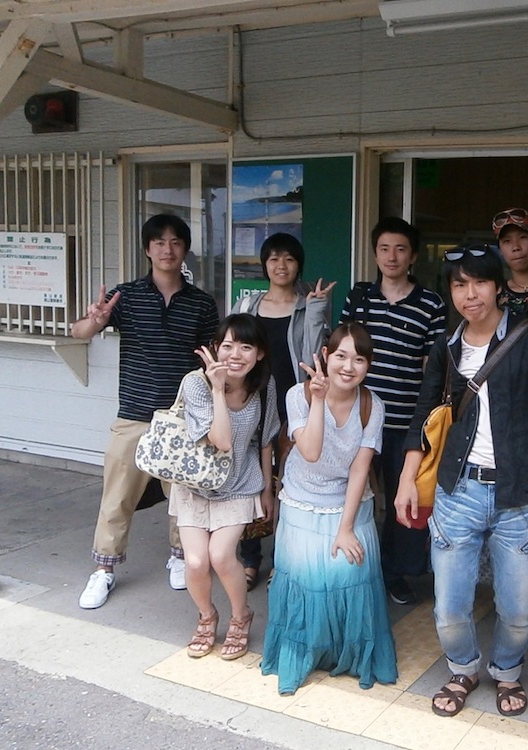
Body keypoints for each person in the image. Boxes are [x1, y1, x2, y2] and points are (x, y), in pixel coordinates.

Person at [394, 243, 528, 718]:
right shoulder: (447, 346)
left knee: (517, 608)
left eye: (479, 283)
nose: (470, 294)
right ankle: (463, 669)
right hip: (457, 489)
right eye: (459, 284)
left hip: (520, 493)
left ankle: (507, 671)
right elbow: (423, 414)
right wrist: (408, 479)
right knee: (450, 605)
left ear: (498, 287)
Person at [73, 214, 219, 610]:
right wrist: (94, 320)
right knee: (117, 496)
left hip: (182, 416)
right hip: (134, 413)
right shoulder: (126, 296)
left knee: (183, 497)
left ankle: (180, 556)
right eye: (159, 242)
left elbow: (210, 359)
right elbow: (79, 332)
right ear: (147, 249)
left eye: (175, 242)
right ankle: (103, 569)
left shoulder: (202, 303)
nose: (167, 249)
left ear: (185, 249)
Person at [261, 323, 397, 693]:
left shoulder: (372, 405)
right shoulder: (298, 395)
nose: (349, 367)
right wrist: (319, 400)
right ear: (325, 356)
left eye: (359, 359)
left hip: (349, 504)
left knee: (347, 575)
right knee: (307, 583)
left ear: (369, 365)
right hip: (302, 501)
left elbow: (360, 469)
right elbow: (310, 451)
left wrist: (346, 528)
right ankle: (306, 652)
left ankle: (344, 654)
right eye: (340, 356)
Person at [340, 217, 446, 606]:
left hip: (406, 421)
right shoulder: (359, 298)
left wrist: (425, 421)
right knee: (355, 494)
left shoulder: (431, 304)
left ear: (413, 256)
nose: (392, 256)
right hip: (359, 419)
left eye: (400, 249)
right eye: (384, 248)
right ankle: (352, 565)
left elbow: (432, 368)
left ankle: (394, 572)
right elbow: (342, 353)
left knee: (405, 498)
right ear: (375, 254)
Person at [173, 313, 279, 660]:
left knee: (220, 555)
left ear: (259, 353)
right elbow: (220, 439)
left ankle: (240, 616)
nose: (235, 355)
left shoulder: (264, 386)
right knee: (195, 561)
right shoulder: (196, 383)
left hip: (240, 482)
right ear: (215, 348)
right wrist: (218, 389)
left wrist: (267, 490)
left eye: (246, 347)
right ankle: (207, 616)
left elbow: (265, 440)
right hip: (195, 483)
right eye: (228, 345)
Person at [231, 232, 334, 589]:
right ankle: (250, 557)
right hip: (250, 404)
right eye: (274, 258)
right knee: (248, 480)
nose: (281, 265)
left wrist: (317, 309)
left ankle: (281, 557)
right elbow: (232, 350)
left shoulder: (309, 305)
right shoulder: (247, 306)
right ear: (264, 264)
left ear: (298, 265)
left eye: (289, 258)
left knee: (288, 484)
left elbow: (318, 355)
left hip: (293, 406)